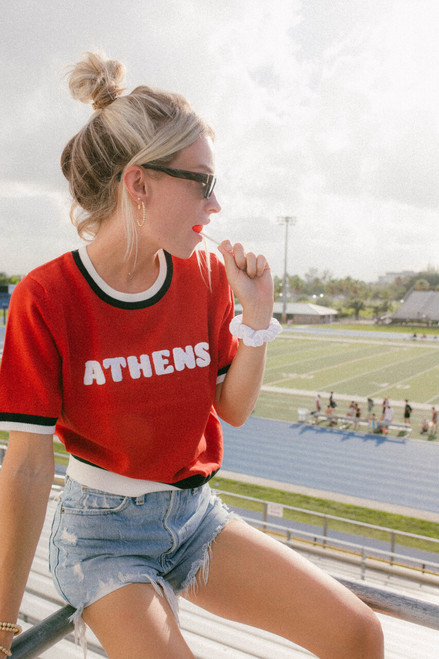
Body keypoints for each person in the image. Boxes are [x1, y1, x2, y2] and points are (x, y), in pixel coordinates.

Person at [0, 52, 383, 659]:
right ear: (139, 183)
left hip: (194, 517)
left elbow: (231, 411)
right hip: (103, 536)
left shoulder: (202, 273)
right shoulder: (46, 297)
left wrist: (254, 323)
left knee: (359, 634)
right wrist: (1, 626)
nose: (215, 205)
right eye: (201, 182)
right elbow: (25, 468)